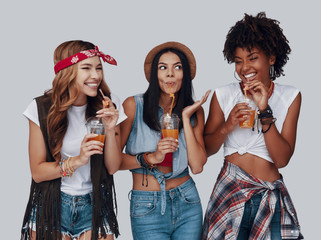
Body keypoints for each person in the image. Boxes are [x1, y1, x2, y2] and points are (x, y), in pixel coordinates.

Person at [201, 12, 304, 240]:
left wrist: (264, 109)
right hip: (231, 190)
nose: (244, 67)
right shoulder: (223, 94)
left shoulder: (290, 96)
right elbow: (206, 150)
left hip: (270, 194)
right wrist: (227, 126)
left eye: (252, 58)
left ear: (272, 58)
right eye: (238, 61)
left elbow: (282, 160)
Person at [21, 40, 127, 240]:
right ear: (67, 71)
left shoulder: (109, 104)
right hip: (51, 205)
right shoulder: (41, 108)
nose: (96, 75)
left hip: (95, 205)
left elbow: (113, 167)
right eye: (86, 68)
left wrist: (111, 127)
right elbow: (37, 172)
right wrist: (77, 160)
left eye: (99, 68)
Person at [119, 41, 210, 239]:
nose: (170, 74)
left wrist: (185, 118)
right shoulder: (134, 106)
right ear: (155, 74)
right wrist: (150, 158)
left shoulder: (195, 112)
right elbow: (112, 161)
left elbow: (197, 166)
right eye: (163, 68)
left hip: (187, 201)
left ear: (185, 74)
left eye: (177, 67)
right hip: (147, 204)